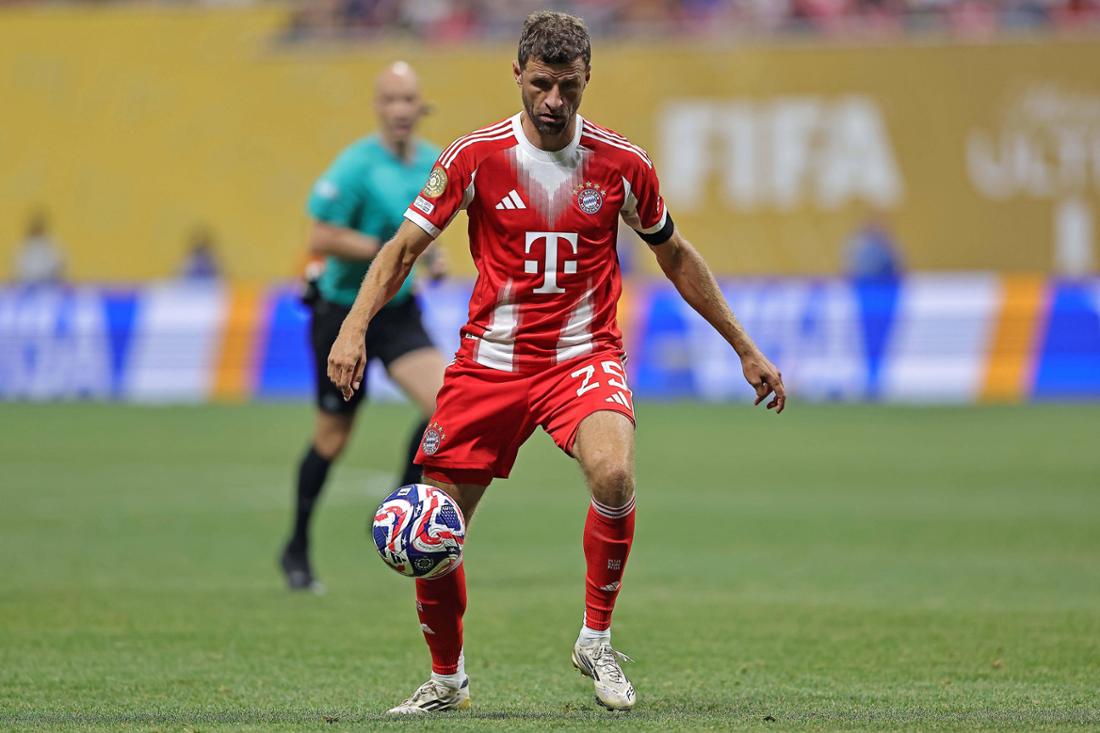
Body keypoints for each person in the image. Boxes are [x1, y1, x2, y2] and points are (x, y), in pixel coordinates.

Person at [328, 12, 785, 713]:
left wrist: (744, 346)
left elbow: (675, 255)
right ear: (517, 73)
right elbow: (402, 250)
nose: (553, 100)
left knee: (615, 473)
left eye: (568, 86)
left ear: (586, 78)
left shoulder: (623, 164)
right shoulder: (474, 157)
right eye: (540, 83)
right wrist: (354, 326)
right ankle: (447, 680)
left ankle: (596, 640)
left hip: (583, 355)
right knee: (435, 521)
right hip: (491, 362)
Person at [280, 61, 449, 593]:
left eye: (408, 99)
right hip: (341, 313)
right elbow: (320, 235)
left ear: (421, 106)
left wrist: (431, 258)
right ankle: (296, 546)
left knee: (448, 407)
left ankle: (398, 508)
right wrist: (389, 251)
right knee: (332, 438)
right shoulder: (356, 166)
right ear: (378, 106)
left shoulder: (432, 163)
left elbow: (424, 230)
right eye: (391, 99)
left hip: (397, 312)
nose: (400, 109)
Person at [14, 210, 64, 285]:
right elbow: (17, 268)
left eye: (39, 226)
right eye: (35, 226)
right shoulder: (23, 245)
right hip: (27, 284)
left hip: (49, 283)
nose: (37, 228)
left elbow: (59, 263)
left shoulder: (51, 244)